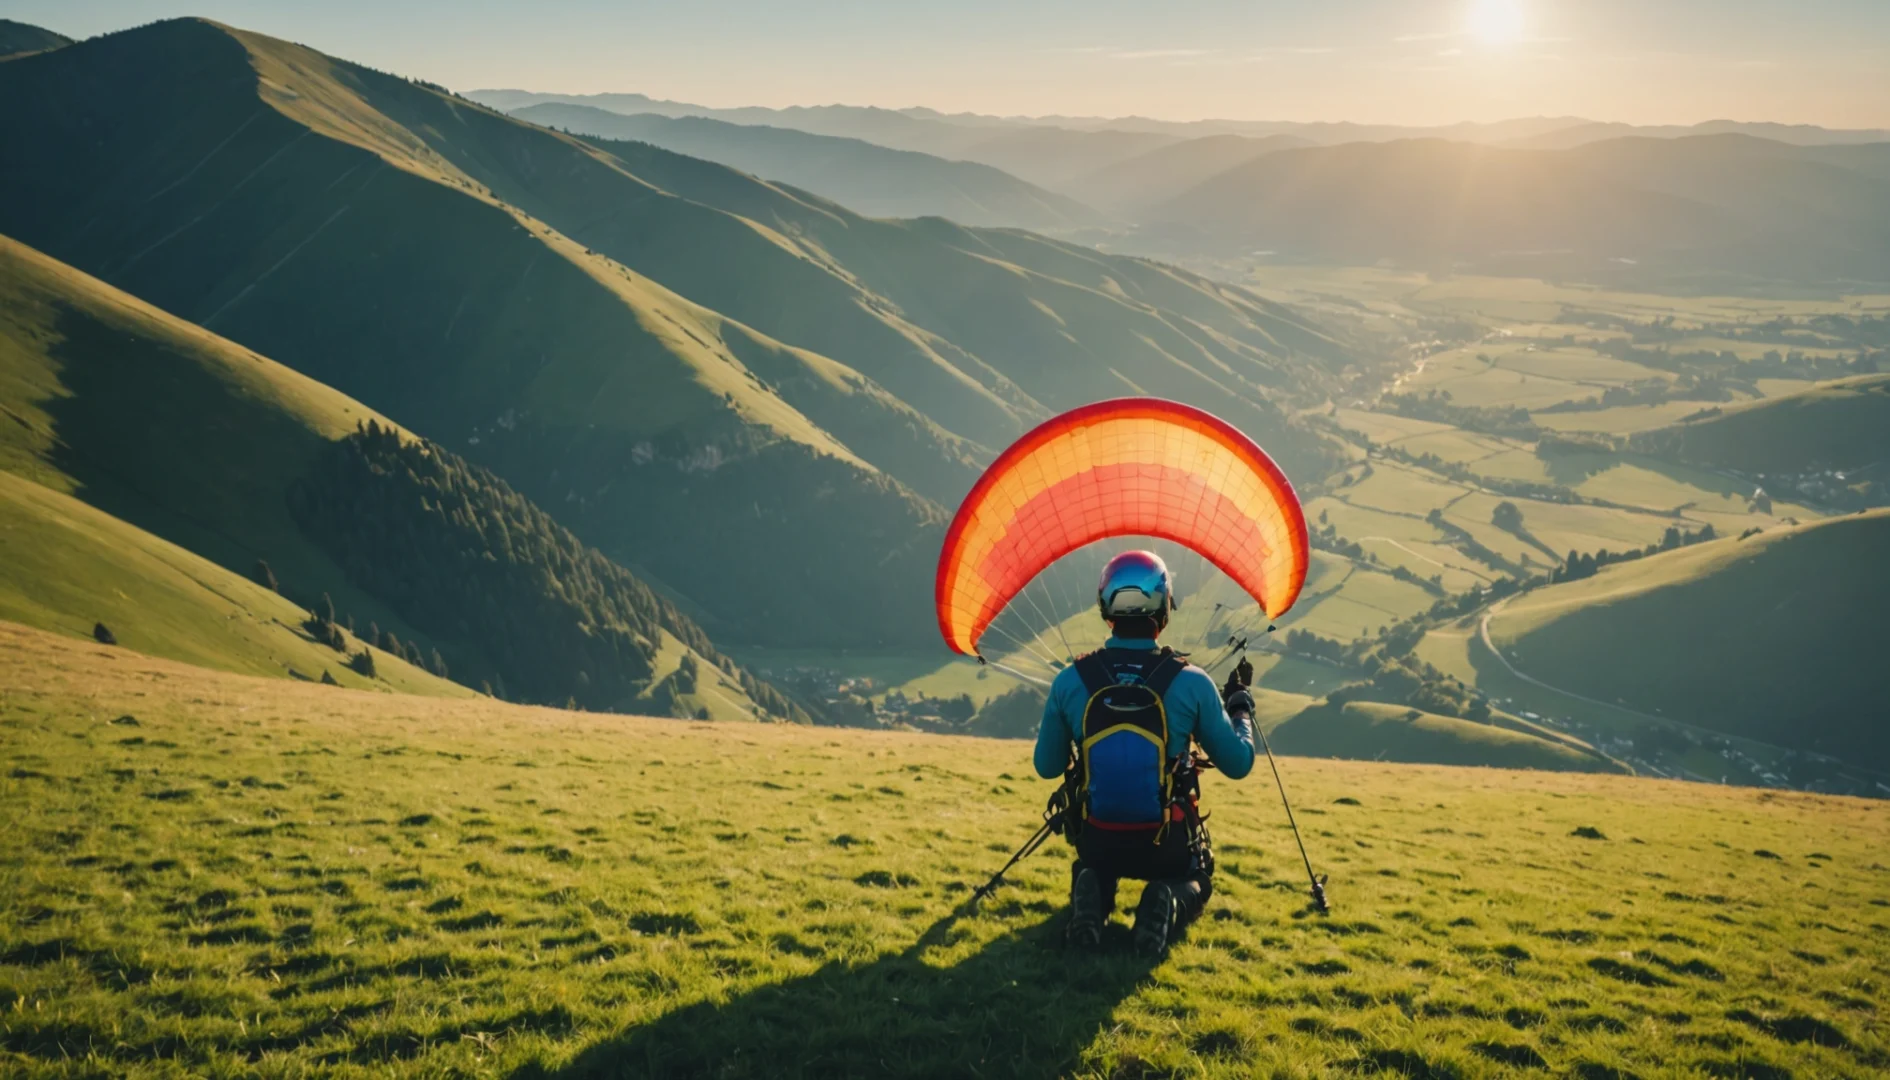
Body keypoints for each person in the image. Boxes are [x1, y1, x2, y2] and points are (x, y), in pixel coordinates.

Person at [1034, 550, 1257, 955]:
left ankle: (1094, 888)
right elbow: (1239, 763)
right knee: (1199, 874)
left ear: (1106, 610)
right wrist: (1240, 708)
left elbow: (1046, 767)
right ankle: (1168, 898)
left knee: (1095, 864)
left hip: (1098, 838)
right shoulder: (1192, 683)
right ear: (1164, 610)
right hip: (1166, 845)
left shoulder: (1071, 680)